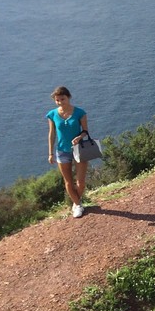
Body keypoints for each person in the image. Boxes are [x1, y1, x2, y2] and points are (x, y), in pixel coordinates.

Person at [47, 86, 89, 218]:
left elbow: (85, 131)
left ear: (69, 97)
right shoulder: (52, 114)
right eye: (57, 100)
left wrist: (79, 137)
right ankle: (77, 205)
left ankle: (77, 202)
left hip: (79, 149)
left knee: (80, 182)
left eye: (62, 99)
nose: (60, 102)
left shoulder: (79, 112)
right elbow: (52, 134)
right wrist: (50, 153)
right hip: (62, 151)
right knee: (68, 182)